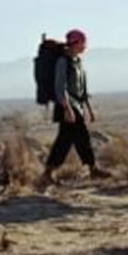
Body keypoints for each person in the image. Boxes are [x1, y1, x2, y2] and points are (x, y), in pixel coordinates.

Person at [39, 29, 110, 186]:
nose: (85, 46)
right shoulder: (63, 62)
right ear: (76, 43)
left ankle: (49, 173)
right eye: (83, 43)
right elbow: (60, 87)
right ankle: (92, 169)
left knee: (68, 140)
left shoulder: (77, 62)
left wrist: (89, 109)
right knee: (78, 138)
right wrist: (67, 109)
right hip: (67, 107)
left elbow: (82, 89)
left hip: (76, 107)